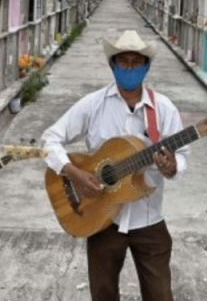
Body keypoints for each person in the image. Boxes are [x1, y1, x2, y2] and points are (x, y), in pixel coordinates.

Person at [42, 30, 188, 301]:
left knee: (160, 295)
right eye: (124, 62)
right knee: (103, 294)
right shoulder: (93, 104)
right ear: (113, 65)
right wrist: (74, 174)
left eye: (136, 63)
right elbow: (50, 140)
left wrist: (171, 167)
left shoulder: (164, 109)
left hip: (149, 219)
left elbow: (182, 157)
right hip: (102, 219)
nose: (130, 68)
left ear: (147, 67)